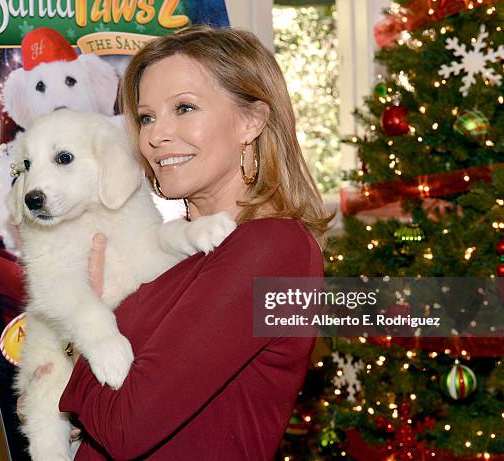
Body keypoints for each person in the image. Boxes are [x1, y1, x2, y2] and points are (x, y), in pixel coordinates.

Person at [57, 25, 334, 460]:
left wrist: (86, 326)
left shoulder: (273, 249)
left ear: (251, 121)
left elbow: (127, 427)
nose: (155, 136)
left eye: (183, 108)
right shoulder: (170, 249)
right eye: (146, 117)